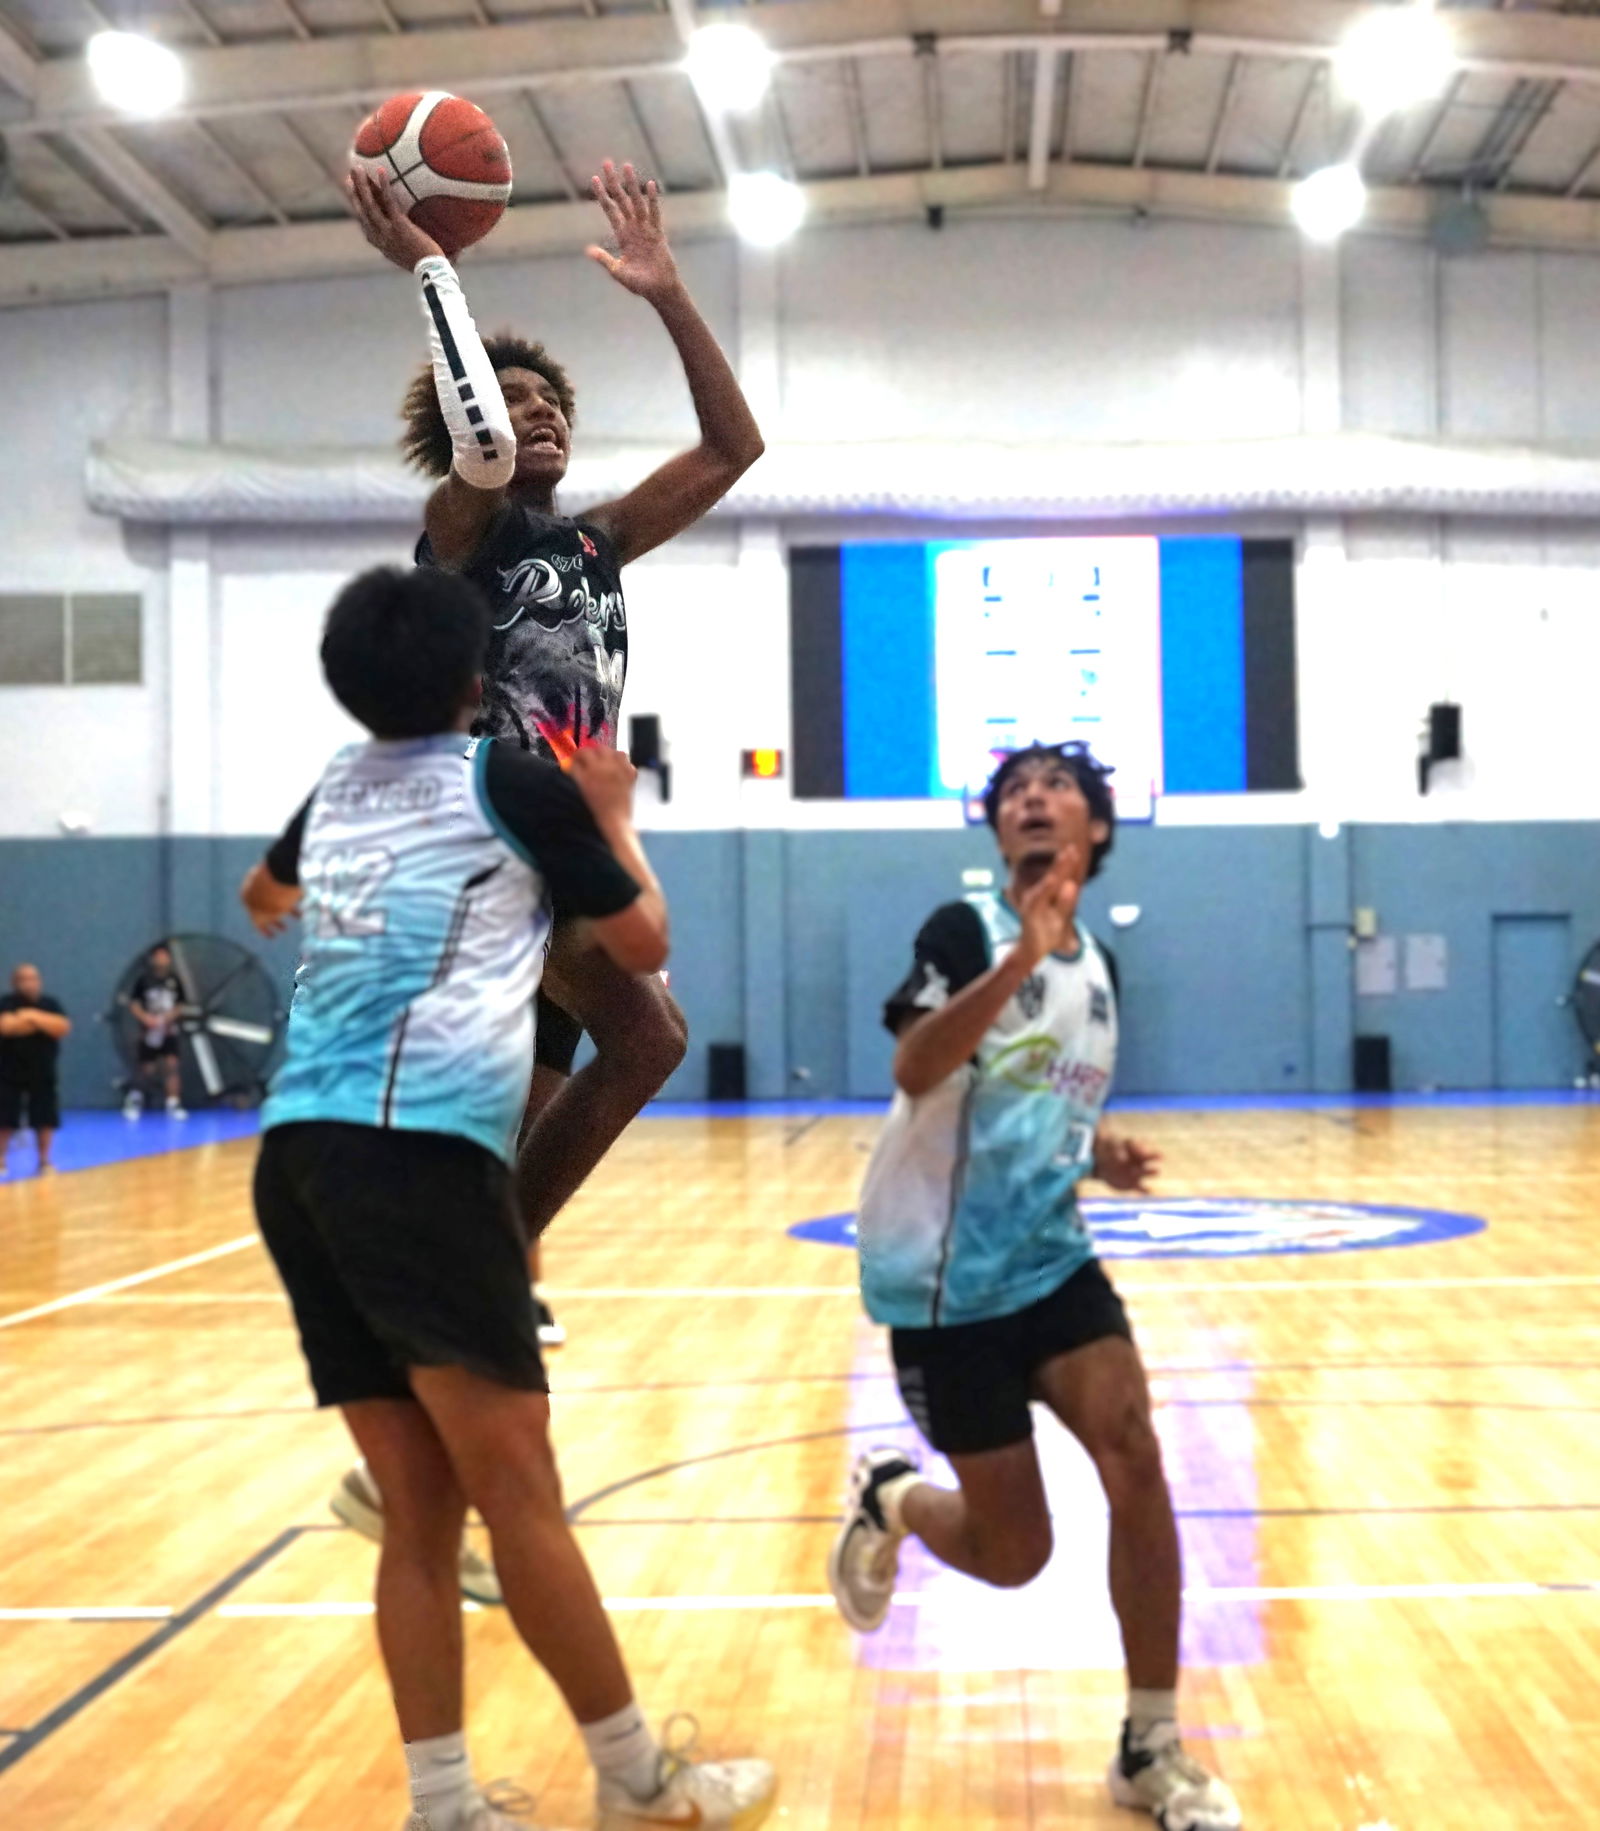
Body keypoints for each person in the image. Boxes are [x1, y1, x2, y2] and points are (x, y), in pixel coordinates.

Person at [242, 565, 775, 1831]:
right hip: (417, 1156)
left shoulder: (332, 787)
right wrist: (614, 816)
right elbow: (640, 949)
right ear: (480, 680)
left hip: (298, 1156)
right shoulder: (510, 781)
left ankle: (442, 1803)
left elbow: (268, 900)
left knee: (418, 1511)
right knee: (518, 1496)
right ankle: (640, 1780)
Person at [328, 158, 763, 1575]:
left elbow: (735, 446)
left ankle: (415, 1444)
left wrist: (673, 296)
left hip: (558, 838)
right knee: (652, 1028)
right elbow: (480, 452)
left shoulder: (596, 540)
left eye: (556, 398)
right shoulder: (466, 532)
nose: (541, 413)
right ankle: (487, 1285)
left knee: (526, 1112)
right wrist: (434, 279)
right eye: (514, 402)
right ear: (467, 428)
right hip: (493, 827)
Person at [828, 743, 1243, 1831]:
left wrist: (1094, 1153)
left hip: (1050, 1259)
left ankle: (1150, 1741)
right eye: (1014, 791)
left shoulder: (1100, 964)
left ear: (1095, 829)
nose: (1031, 798)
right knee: (1017, 1556)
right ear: (1001, 832)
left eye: (1055, 786)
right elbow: (918, 1068)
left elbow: (1037, 1100)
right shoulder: (961, 933)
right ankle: (892, 1499)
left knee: (1135, 1448)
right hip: (937, 1280)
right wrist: (1018, 957)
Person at [0, 964, 71, 1176]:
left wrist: (30, 1016)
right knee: (4, 1117)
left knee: (45, 1117)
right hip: (8, 1071)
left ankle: (44, 1161)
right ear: (15, 982)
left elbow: (61, 1027)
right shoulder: (6, 1003)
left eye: (34, 978)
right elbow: (5, 1026)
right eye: (24, 979)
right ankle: (1, 1160)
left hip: (43, 1070)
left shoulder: (50, 1003)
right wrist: (41, 1024)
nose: (30, 983)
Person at [121, 943, 188, 1120]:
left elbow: (181, 1005)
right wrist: (146, 1019)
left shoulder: (174, 980)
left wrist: (168, 1017)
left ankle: (173, 1103)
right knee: (146, 1068)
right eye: (158, 956)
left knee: (171, 1065)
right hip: (149, 1031)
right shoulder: (144, 981)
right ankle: (135, 1100)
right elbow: (134, 1004)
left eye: (164, 955)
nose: (161, 959)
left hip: (168, 1030)